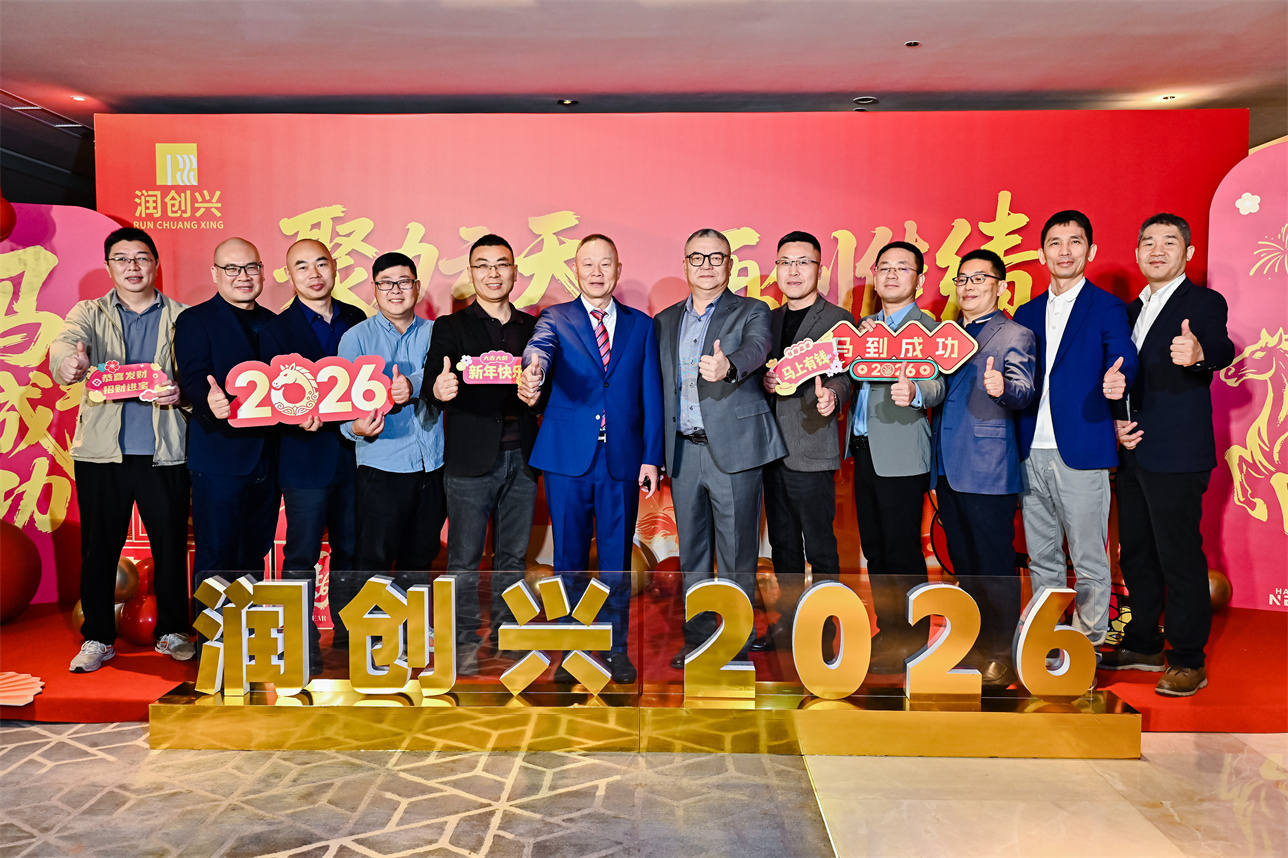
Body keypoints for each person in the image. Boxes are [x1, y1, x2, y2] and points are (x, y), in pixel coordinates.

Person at [519, 234, 663, 684]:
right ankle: (570, 649)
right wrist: (534, 368)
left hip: (621, 459)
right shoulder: (555, 318)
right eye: (587, 264)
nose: (596, 272)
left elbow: (651, 395)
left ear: (618, 270)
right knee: (569, 558)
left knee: (616, 560)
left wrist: (651, 456)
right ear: (575, 270)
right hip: (567, 459)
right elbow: (539, 348)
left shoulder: (642, 326)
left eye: (605, 264)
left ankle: (616, 648)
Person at [1102, 213, 1235, 697]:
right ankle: (1143, 643)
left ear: (1188, 253)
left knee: (1179, 557)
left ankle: (1187, 658)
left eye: (1169, 242)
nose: (1157, 250)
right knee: (1137, 554)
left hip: (1177, 453)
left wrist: (1199, 354)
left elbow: (1221, 346)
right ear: (1137, 253)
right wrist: (1116, 416)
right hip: (1132, 450)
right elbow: (1120, 376)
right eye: (1148, 242)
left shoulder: (1202, 302)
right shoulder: (1128, 311)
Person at [50, 227, 192, 672]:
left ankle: (172, 630)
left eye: (142, 258)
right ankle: (97, 637)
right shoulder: (89, 313)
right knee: (99, 547)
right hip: (101, 453)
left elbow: (196, 373)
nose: (133, 267)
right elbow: (64, 344)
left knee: (170, 544)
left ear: (156, 264)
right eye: (122, 259)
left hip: (164, 451)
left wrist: (183, 393)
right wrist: (68, 363)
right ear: (109, 266)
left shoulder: (182, 317)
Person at [654, 228, 787, 668]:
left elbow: (757, 348)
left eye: (716, 257)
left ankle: (735, 642)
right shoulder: (664, 321)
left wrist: (729, 366)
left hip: (735, 450)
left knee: (737, 553)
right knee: (692, 554)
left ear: (729, 264)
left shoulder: (751, 310)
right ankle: (697, 639)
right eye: (697, 257)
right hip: (683, 451)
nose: (706, 265)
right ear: (685, 264)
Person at [1013, 211, 1138, 658]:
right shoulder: (1026, 312)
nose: (1064, 251)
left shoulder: (1106, 306)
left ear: (1091, 250)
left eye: (1075, 242)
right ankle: (1047, 641)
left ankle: (1087, 646)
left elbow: (1123, 353)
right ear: (1041, 252)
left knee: (1088, 558)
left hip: (1083, 448)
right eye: (1055, 242)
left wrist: (1120, 378)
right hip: (1030, 449)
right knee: (1042, 557)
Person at [425, 235, 544, 675]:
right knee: (463, 560)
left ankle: (507, 634)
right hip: (470, 460)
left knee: (512, 558)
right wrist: (438, 389)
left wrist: (538, 392)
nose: (493, 273)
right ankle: (461, 641)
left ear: (515, 271)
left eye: (501, 264)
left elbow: (549, 383)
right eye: (483, 265)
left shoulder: (534, 327)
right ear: (471, 273)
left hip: (523, 458)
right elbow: (431, 384)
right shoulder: (451, 327)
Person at [258, 239, 367, 669]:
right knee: (302, 552)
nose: (314, 274)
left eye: (321, 263)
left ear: (334, 267)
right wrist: (294, 417)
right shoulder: (275, 330)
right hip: (303, 457)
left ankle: (348, 633)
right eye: (302, 266)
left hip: (355, 454)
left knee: (351, 549)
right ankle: (300, 639)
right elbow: (269, 396)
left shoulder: (357, 319)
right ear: (290, 276)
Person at [930, 249, 1037, 686]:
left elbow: (1024, 389)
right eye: (963, 279)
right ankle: (972, 643)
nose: (969, 286)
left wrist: (1002, 387)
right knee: (964, 562)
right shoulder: (946, 334)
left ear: (1001, 287)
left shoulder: (1015, 333)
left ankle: (1000, 652)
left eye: (979, 278)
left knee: (993, 564)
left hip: (989, 465)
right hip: (947, 464)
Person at [843, 241, 947, 671]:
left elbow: (940, 384)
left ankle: (912, 636)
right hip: (863, 450)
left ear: (919, 279)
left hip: (902, 452)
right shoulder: (864, 329)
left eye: (902, 268)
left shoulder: (929, 329)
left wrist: (916, 391)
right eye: (884, 267)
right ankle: (888, 628)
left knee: (901, 549)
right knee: (875, 549)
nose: (891, 274)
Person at [749, 231, 853, 657]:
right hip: (770, 450)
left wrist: (835, 396)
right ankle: (788, 623)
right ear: (776, 269)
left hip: (811, 445)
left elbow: (849, 374)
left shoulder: (838, 319)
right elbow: (757, 369)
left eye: (803, 262)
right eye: (785, 263)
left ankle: (824, 632)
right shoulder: (766, 319)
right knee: (783, 546)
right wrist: (764, 380)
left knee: (820, 546)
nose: (793, 271)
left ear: (819, 269)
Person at [334, 251, 445, 646]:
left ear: (417, 287)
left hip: (433, 463)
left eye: (404, 282)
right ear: (374, 288)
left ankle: (414, 628)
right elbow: (340, 404)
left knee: (421, 554)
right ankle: (372, 634)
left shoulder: (437, 332)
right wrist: (354, 428)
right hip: (382, 464)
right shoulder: (356, 338)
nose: (396, 290)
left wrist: (412, 384)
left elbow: (445, 375)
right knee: (375, 557)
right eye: (386, 283)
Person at [175, 238, 279, 594]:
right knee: (215, 555)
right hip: (219, 456)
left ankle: (248, 626)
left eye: (251, 267)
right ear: (215, 273)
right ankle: (211, 630)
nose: (243, 276)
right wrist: (208, 402)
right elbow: (192, 377)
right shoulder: (195, 320)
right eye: (232, 268)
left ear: (262, 272)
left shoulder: (275, 323)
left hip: (269, 459)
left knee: (255, 552)